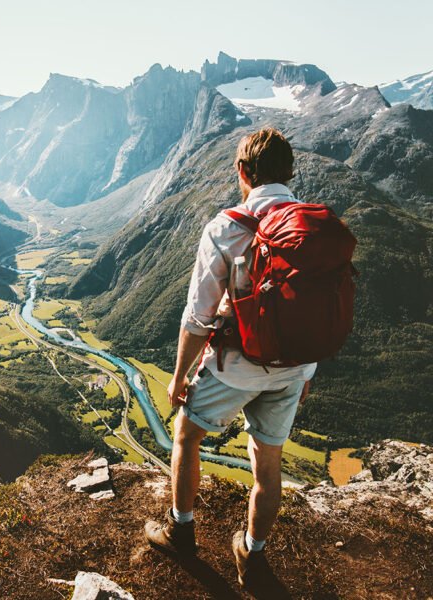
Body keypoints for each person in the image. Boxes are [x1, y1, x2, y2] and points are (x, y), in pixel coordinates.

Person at [144, 128, 315, 590]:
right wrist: (307, 369)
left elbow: (198, 318)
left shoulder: (226, 227)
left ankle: (181, 530)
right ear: (290, 172)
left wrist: (179, 378)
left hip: (236, 366)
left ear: (243, 172)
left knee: (186, 433)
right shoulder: (313, 226)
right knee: (268, 463)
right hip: (295, 366)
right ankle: (252, 555)